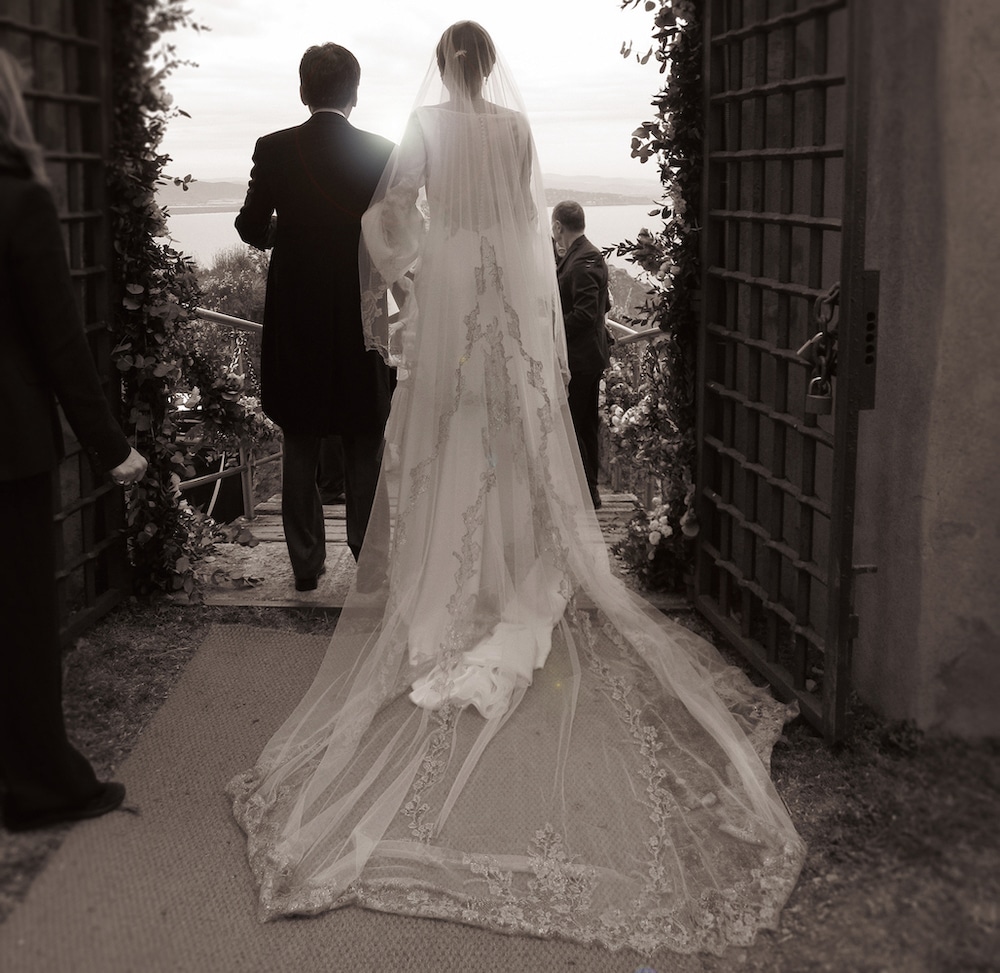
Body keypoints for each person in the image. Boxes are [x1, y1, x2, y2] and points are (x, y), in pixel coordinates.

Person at [228, 22, 804, 955]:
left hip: (450, 293)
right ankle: (507, 580)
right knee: (507, 440)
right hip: (504, 297)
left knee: (445, 437)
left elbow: (389, 217)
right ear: (491, 67)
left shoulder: (424, 127)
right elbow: (531, 229)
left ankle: (438, 583)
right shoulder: (518, 130)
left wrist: (411, 271)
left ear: (440, 68)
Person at [0, 50, 148, 832]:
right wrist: (111, 446)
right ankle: (41, 786)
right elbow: (59, 340)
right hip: (6, 445)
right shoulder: (19, 199)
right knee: (20, 618)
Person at [235, 43, 394, 591]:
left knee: (300, 433)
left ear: (304, 91)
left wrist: (286, 236)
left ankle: (305, 565)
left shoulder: (274, 148)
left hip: (296, 310)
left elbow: (250, 226)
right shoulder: (382, 152)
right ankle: (369, 562)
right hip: (360, 309)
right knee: (363, 432)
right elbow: (391, 235)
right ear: (355, 93)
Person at [552, 200, 612, 509]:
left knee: (576, 423)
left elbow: (585, 315)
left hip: (581, 358)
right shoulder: (585, 254)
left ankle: (587, 491)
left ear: (558, 226)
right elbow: (606, 305)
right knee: (584, 422)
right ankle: (589, 491)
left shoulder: (582, 260)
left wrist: (551, 329)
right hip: (588, 355)